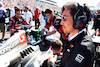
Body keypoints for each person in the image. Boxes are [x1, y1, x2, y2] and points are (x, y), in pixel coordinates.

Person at [59, 2, 94, 67]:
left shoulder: (83, 48)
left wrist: (50, 63)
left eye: (64, 18)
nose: (61, 22)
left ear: (78, 21)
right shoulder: (71, 37)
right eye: (61, 18)